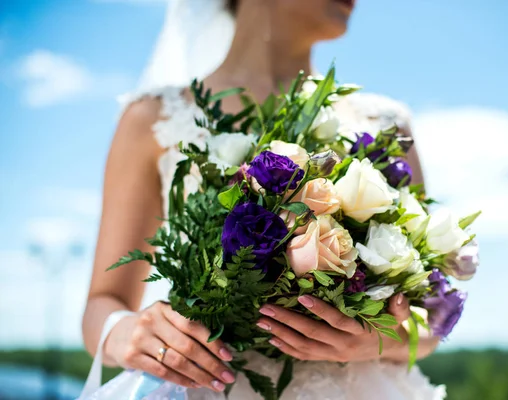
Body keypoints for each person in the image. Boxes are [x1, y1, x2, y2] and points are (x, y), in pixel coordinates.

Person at [82, 0, 445, 398]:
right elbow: (103, 303)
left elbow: (430, 316)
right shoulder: (153, 119)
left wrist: (384, 339)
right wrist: (127, 333)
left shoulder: (386, 127)